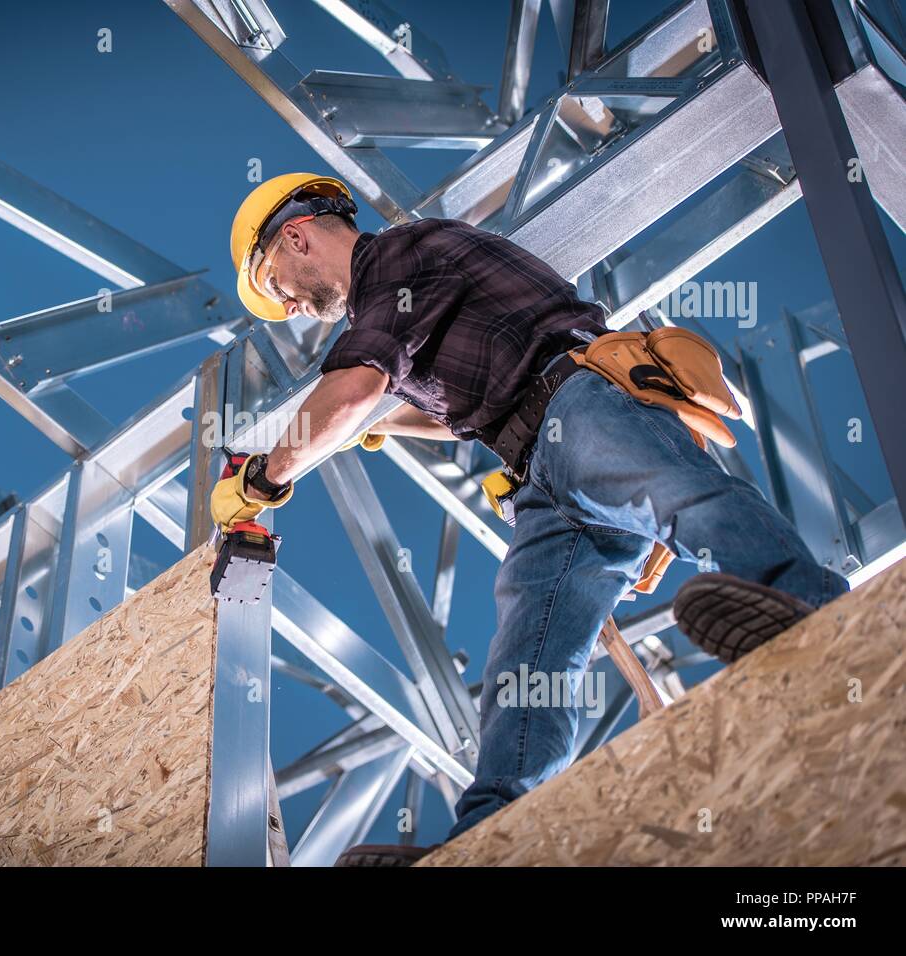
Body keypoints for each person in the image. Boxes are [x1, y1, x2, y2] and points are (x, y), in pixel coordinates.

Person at [208, 173, 849, 866]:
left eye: (280, 287)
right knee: (530, 651)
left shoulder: (394, 262)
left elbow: (355, 384)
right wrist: (386, 425)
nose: (296, 307)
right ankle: (494, 834)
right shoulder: (411, 284)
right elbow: (458, 405)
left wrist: (265, 477)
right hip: (546, 463)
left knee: (678, 495)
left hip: (580, 403)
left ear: (297, 236)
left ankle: (806, 605)